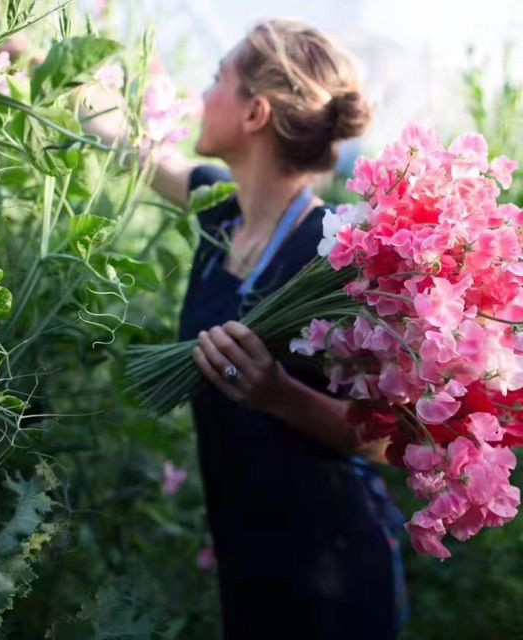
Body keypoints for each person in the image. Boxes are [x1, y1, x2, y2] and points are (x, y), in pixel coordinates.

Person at [79, 19, 407, 639]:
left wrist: (277, 394)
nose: (201, 97)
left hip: (332, 568)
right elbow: (128, 145)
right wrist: (32, 58)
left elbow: (389, 441)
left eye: (216, 80)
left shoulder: (337, 254)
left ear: (255, 112)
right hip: (247, 552)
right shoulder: (220, 214)